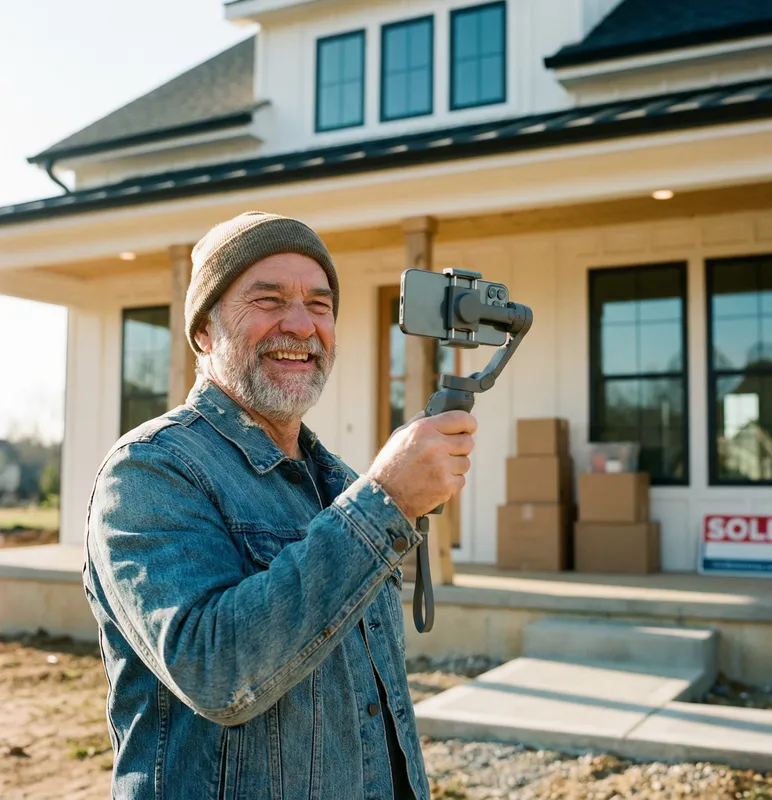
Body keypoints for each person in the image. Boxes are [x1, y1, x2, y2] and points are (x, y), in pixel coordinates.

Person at [83, 211, 477, 800]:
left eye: (320, 306)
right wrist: (385, 501)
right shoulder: (149, 471)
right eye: (268, 300)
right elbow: (216, 672)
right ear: (204, 332)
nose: (301, 324)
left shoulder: (339, 482)